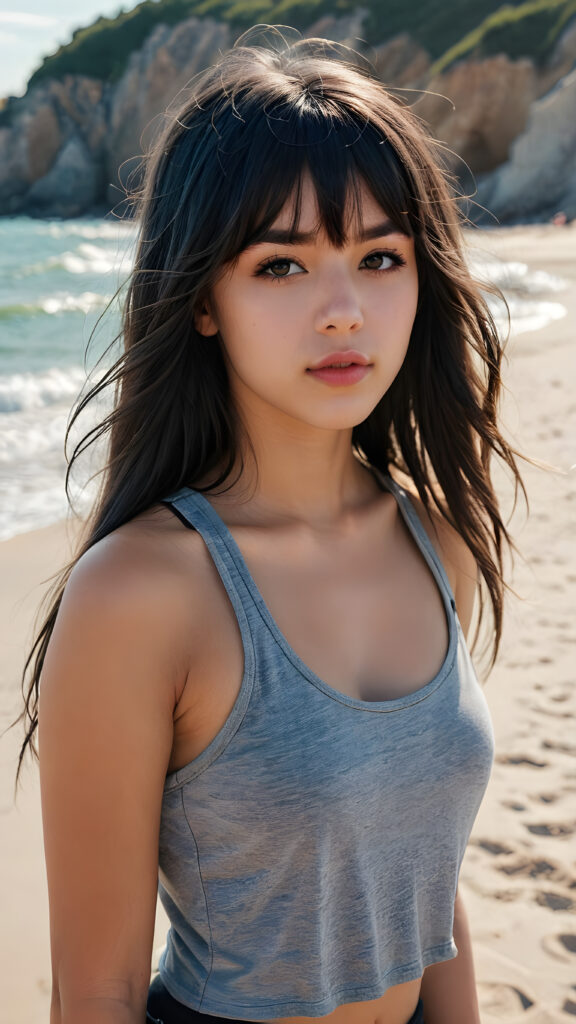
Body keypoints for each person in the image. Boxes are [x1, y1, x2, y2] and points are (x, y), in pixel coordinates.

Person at [16, 24, 525, 1024]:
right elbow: (96, 992)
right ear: (203, 297)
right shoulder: (138, 597)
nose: (345, 311)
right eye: (282, 267)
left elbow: (425, 883)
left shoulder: (436, 543)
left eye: (380, 257)